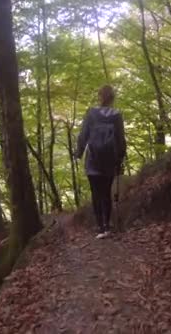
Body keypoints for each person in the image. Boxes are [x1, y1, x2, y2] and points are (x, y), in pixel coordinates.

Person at [75, 85, 127, 239]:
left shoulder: (91, 113)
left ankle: (99, 227)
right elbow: (120, 140)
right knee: (106, 192)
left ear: (100, 97)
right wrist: (120, 158)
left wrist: (78, 153)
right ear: (112, 99)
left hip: (93, 160)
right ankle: (107, 226)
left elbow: (83, 135)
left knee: (96, 193)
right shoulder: (117, 115)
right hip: (110, 160)